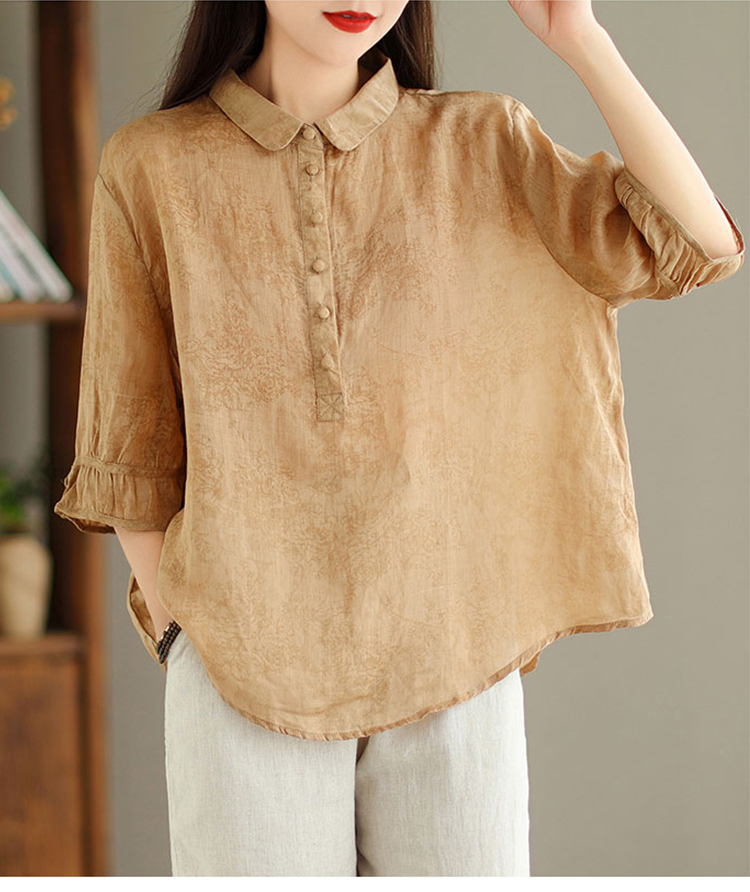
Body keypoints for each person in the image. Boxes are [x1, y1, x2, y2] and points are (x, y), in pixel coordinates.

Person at [53, 0, 744, 878]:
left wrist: (581, 37)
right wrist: (189, 637)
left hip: (455, 664)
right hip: (240, 667)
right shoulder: (152, 164)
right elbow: (129, 444)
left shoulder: (481, 142)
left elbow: (694, 242)